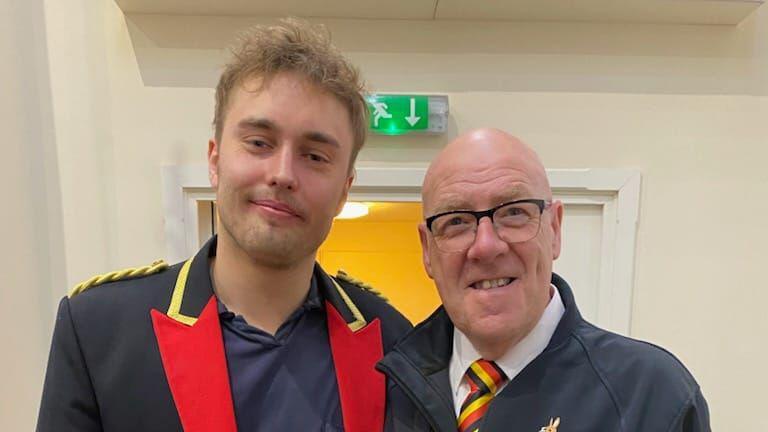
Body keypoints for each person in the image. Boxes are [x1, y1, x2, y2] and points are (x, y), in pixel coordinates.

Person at [37, 19, 411, 432]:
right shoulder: (100, 332)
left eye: (315, 156)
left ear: (345, 189)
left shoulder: (394, 345)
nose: (283, 173)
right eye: (259, 143)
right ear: (214, 160)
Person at [379, 129, 710, 431]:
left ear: (554, 229)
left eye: (513, 213)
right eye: (456, 221)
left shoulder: (649, 395)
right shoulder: (384, 391)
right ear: (427, 249)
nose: (486, 246)